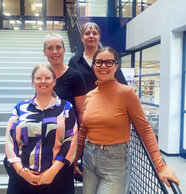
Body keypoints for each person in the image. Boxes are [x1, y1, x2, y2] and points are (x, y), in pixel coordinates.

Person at [74, 47, 180, 194]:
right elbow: (84, 130)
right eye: (99, 62)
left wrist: (160, 166)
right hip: (89, 158)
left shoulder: (127, 93)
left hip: (115, 161)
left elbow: (145, 129)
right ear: (93, 66)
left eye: (109, 62)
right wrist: (75, 159)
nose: (103, 66)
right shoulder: (90, 96)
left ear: (116, 66)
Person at [4, 64, 78, 194]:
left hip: (57, 178)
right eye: (38, 78)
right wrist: (21, 171)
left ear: (54, 81)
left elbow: (71, 140)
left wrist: (52, 172)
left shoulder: (66, 108)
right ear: (33, 81)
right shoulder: (20, 108)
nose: (43, 81)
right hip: (22, 178)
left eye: (47, 78)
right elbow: (10, 141)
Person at [43, 32, 87, 193]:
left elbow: (81, 113)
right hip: (46, 142)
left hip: (67, 143)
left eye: (58, 47)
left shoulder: (75, 76)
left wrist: (78, 147)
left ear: (63, 49)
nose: (54, 52)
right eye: (50, 48)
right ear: (45, 52)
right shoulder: (43, 76)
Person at [69, 22, 127, 93]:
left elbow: (122, 83)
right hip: (82, 103)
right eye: (87, 33)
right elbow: (70, 86)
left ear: (99, 37)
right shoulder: (74, 61)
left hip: (107, 101)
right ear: (81, 37)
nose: (91, 36)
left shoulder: (109, 59)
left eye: (94, 33)